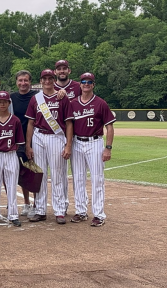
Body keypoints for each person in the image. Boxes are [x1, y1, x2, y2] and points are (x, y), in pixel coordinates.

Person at [25, 69, 74, 224]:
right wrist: (28, 145)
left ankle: (59, 210)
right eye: (44, 78)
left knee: (58, 174)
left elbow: (68, 123)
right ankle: (40, 210)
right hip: (39, 136)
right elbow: (31, 123)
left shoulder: (62, 97)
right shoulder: (35, 99)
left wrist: (68, 145)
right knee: (40, 175)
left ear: (54, 80)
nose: (47, 81)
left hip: (56, 137)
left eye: (50, 78)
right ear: (41, 80)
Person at [69, 73, 115, 227]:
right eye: (83, 81)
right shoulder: (73, 103)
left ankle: (99, 214)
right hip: (77, 142)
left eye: (89, 82)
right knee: (78, 179)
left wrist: (108, 148)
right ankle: (81, 211)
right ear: (80, 84)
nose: (86, 84)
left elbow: (109, 126)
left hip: (94, 142)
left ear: (93, 84)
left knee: (97, 179)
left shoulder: (100, 103)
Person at [0, 91, 25, 227]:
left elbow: (19, 141)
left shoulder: (15, 120)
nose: (2, 104)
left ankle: (13, 215)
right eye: (0, 102)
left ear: (9, 103)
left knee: (11, 184)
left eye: (5, 101)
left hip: (11, 154)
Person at [10, 71, 39, 217]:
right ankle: (26, 203)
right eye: (20, 80)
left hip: (36, 139)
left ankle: (36, 204)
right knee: (22, 172)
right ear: (16, 82)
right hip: (18, 140)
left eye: (26, 80)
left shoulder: (37, 96)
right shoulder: (12, 97)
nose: (23, 83)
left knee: (33, 172)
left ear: (30, 82)